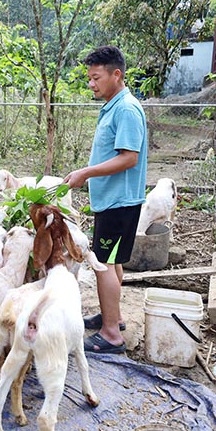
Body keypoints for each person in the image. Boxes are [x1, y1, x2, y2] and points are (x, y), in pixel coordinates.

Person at [63, 45, 148, 354]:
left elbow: (129, 158)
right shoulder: (115, 105)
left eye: (96, 77)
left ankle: (111, 334)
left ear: (116, 74)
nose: (91, 84)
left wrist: (86, 172)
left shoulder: (126, 109)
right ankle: (114, 316)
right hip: (113, 200)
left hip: (119, 201)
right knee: (113, 262)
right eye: (89, 77)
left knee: (103, 264)